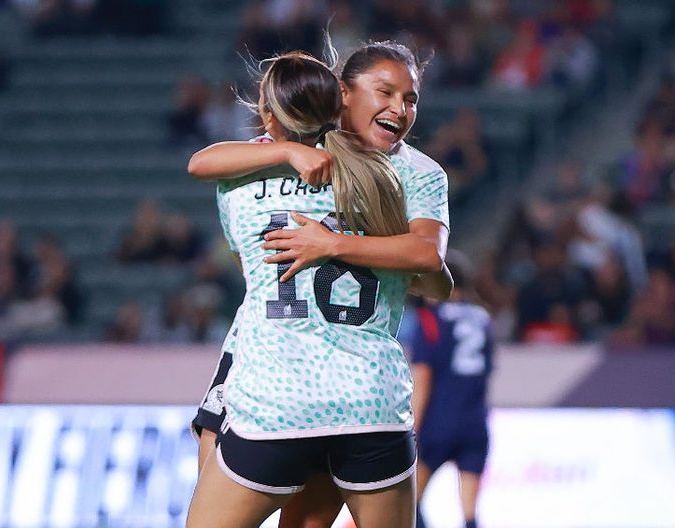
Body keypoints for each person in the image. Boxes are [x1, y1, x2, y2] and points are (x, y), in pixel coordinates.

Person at [188, 41, 451, 527]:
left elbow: (202, 166)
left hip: (276, 391)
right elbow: (433, 273)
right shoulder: (404, 174)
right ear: (342, 93)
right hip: (367, 395)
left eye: (411, 99)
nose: (400, 108)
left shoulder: (254, 169)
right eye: (386, 92)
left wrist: (330, 243)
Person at [406, 252, 494, 528]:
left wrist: (412, 428)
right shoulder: (483, 318)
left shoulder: (430, 319)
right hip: (475, 421)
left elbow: (423, 378)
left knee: (410, 501)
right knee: (469, 512)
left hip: (438, 422)